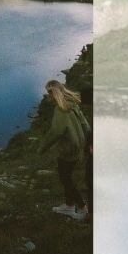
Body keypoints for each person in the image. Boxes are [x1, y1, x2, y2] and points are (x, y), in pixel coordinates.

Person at [39, 79, 90, 221]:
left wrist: (41, 148)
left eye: (48, 93)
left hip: (69, 150)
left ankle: (82, 208)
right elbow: (84, 123)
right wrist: (88, 140)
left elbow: (55, 132)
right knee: (66, 176)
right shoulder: (71, 103)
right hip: (78, 146)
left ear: (53, 93)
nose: (47, 96)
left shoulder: (60, 110)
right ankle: (69, 205)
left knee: (66, 179)